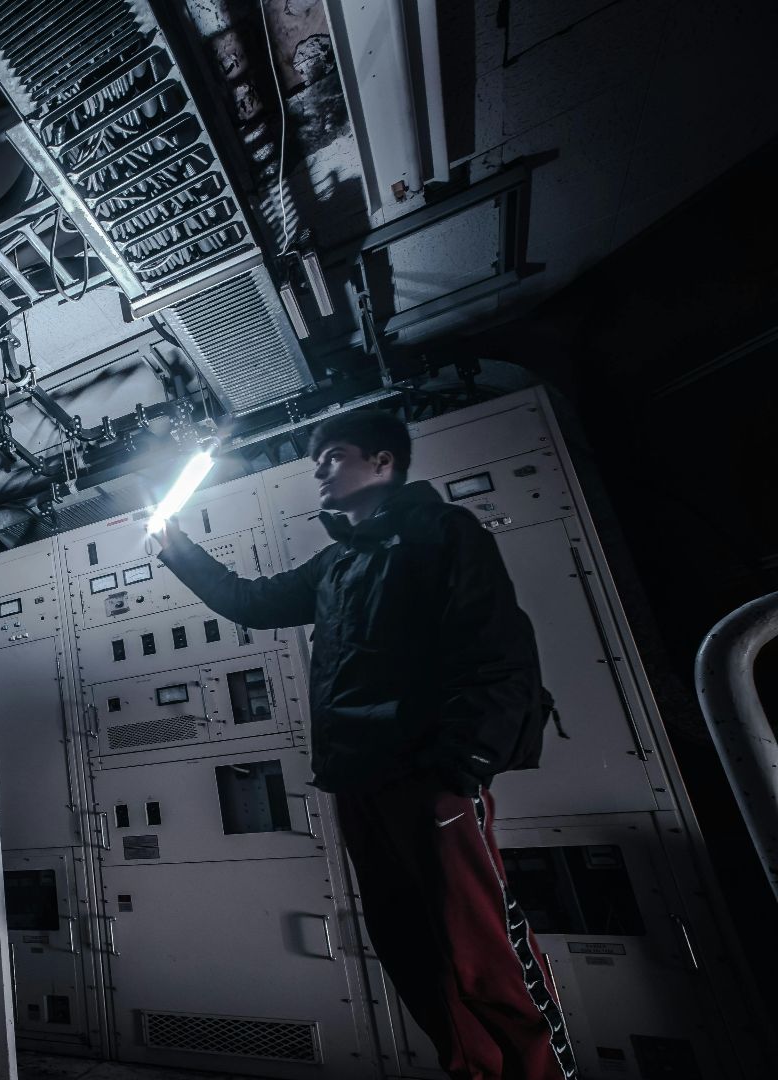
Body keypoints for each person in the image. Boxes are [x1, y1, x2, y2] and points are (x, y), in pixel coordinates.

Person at [153, 410, 576, 1080]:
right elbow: (250, 601)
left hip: (430, 777)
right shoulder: (338, 563)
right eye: (317, 460)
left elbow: (497, 649)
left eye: (334, 455)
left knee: (483, 950)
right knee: (412, 951)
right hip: (359, 778)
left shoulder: (441, 533)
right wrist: (177, 547)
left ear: (383, 463)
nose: (319, 468)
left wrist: (465, 765)